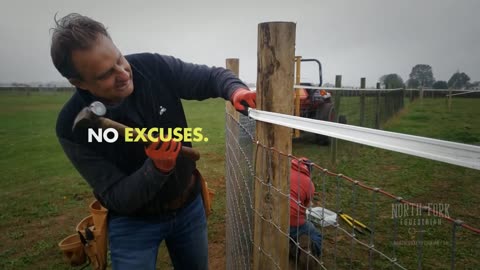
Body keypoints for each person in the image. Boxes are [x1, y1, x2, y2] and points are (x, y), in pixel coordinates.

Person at [50, 13, 256, 270]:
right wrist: (157, 168)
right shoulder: (71, 127)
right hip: (132, 223)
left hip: (187, 205)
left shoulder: (152, 67)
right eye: (105, 74)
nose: (123, 73)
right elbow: (117, 197)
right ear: (78, 82)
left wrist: (234, 89)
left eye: (119, 59)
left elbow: (211, 77)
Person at [289, 157, 322, 258]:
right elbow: (306, 206)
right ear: (309, 170)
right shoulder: (309, 183)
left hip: (274, 215)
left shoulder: (285, 171)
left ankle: (290, 240)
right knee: (315, 234)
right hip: (293, 222)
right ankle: (307, 249)